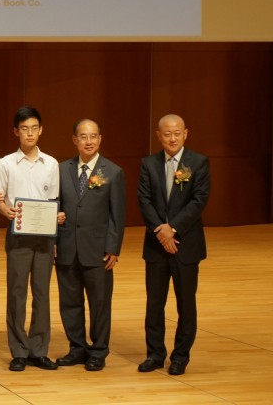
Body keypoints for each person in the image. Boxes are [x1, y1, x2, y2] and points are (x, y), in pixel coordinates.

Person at [137, 114, 210, 376]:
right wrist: (162, 232)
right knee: (154, 304)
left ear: (185, 133)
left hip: (186, 245)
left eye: (177, 133)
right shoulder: (149, 163)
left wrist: (173, 228)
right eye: (167, 134)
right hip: (156, 245)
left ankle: (180, 356)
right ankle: (155, 354)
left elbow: (199, 201)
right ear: (159, 136)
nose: (172, 138)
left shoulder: (198, 162)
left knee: (185, 304)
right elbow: (144, 200)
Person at [0, 106, 64, 372]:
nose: (30, 133)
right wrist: (4, 210)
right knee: (17, 293)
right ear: (16, 132)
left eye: (34, 128)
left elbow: (54, 200)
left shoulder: (51, 164)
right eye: (24, 129)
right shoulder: (6, 163)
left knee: (42, 293)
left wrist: (57, 219)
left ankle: (39, 350)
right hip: (18, 235)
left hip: (45, 237)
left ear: (41, 130)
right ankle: (19, 351)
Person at [54, 119, 126, 372]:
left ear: (100, 139)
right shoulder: (61, 170)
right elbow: (55, 205)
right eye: (83, 136)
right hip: (66, 248)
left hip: (98, 250)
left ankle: (98, 351)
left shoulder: (113, 172)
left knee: (99, 303)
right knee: (69, 302)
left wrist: (113, 248)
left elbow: (117, 215)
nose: (89, 141)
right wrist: (54, 238)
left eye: (93, 136)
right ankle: (77, 348)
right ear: (75, 140)